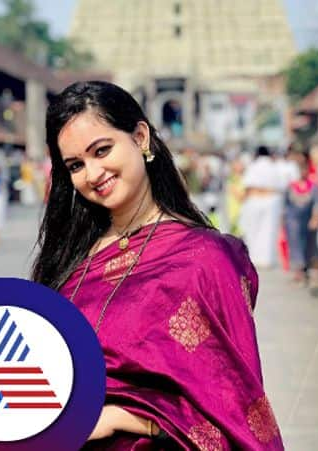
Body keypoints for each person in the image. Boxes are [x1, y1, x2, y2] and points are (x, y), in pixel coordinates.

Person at [32, 81, 283, 450]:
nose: (92, 173)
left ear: (140, 137)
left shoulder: (205, 259)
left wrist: (124, 417)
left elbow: (233, 404)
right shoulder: (72, 258)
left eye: (102, 150)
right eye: (75, 165)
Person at [238, 145, 286, 269]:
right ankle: (266, 259)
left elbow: (247, 186)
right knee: (268, 231)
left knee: (253, 230)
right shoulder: (274, 167)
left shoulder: (253, 166)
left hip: (255, 199)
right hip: (272, 200)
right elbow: (281, 186)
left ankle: (254, 258)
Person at [283, 151, 318, 291]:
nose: (301, 172)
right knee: (295, 245)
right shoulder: (289, 187)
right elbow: (285, 206)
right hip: (292, 222)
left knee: (311, 246)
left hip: (308, 222)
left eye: (303, 168)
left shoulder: (314, 187)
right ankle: (298, 272)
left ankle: (312, 272)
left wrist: (315, 218)